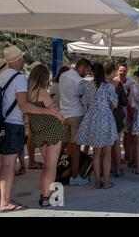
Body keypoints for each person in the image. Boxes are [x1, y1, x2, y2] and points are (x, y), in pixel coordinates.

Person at [0, 46, 62, 213]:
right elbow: (24, 105)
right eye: (22, 58)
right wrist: (49, 111)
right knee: (9, 164)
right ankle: (6, 202)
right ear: (19, 60)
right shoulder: (19, 78)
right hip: (13, 124)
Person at [76, 62, 118, 189]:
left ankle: (96, 182)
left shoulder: (86, 86)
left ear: (92, 72)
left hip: (92, 119)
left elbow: (83, 102)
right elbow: (115, 103)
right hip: (106, 118)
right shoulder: (109, 86)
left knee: (96, 152)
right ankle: (105, 182)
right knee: (107, 153)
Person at [27, 64, 64, 207]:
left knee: (46, 166)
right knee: (51, 166)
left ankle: (44, 195)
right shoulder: (41, 92)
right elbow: (54, 110)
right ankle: (47, 198)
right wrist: (61, 117)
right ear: (43, 77)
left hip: (38, 132)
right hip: (52, 130)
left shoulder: (27, 94)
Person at [59, 58, 92, 186]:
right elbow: (85, 98)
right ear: (82, 67)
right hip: (76, 115)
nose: (88, 73)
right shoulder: (80, 81)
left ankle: (52, 170)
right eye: (88, 70)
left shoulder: (63, 75)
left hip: (63, 114)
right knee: (76, 148)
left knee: (62, 145)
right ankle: (74, 176)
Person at [105, 61, 128, 178]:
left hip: (103, 116)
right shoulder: (118, 85)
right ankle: (118, 168)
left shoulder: (99, 84)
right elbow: (124, 101)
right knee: (116, 143)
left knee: (104, 145)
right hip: (116, 116)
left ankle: (106, 169)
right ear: (114, 71)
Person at [114, 62, 134, 167]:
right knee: (118, 136)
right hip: (118, 112)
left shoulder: (130, 81)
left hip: (128, 111)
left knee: (128, 136)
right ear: (117, 71)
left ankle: (127, 156)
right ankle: (118, 158)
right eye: (121, 70)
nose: (122, 72)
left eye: (124, 70)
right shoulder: (114, 82)